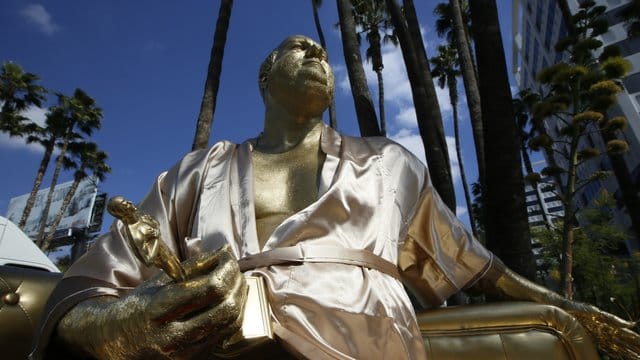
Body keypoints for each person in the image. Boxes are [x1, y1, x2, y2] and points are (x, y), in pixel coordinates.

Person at [31, 35, 638, 360]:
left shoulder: (388, 163)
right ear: (265, 78)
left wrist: (571, 307)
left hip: (359, 336)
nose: (317, 54)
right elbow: (91, 286)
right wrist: (121, 325)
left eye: (320, 51)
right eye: (300, 48)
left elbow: (477, 264)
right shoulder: (198, 171)